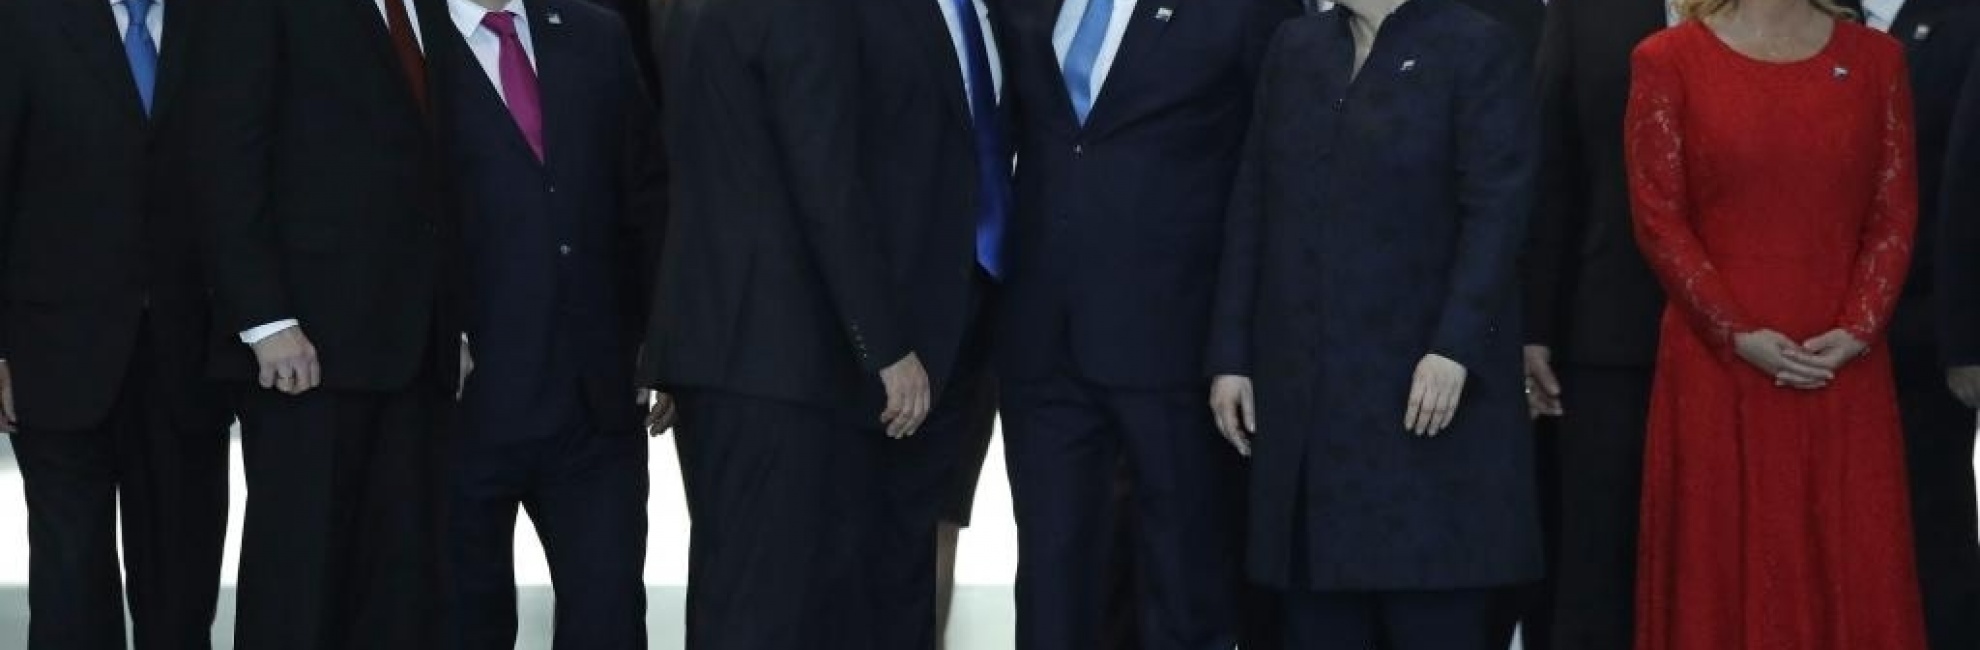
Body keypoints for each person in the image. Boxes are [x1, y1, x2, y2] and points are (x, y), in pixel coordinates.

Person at [1207, 0, 1542, 647]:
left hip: (1428, 405)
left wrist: (1455, 346)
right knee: (1315, 619)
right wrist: (1230, 355)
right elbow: (1252, 203)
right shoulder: (1296, 48)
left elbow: (1498, 215)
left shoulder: (1476, 46)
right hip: (1308, 410)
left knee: (1431, 617)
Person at [994, 0, 1301, 646]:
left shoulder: (1245, 10)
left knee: (1184, 584)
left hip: (1177, 342)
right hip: (1043, 338)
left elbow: (1270, 178)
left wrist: (1236, 341)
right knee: (1050, 580)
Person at [1625, 2, 1929, 647]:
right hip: (1717, 365)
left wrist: (1860, 327)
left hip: (1841, 362)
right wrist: (1733, 331)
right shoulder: (1666, 60)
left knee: (1853, 553)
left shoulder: (1879, 61)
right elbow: (1658, 217)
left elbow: (1894, 211)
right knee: (1721, 563)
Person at [648, 0, 933, 646]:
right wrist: (886, 346)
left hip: (715, 342)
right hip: (777, 353)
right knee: (769, 608)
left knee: (731, 591)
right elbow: (827, 180)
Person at [199, 0, 458, 646]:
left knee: (401, 595)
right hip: (304, 352)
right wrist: (264, 318)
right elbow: (224, 155)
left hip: (417, 347)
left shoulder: (434, 7)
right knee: (300, 590)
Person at [429, 0, 667, 648]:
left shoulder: (594, 32)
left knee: (609, 617)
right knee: (465, 624)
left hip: (595, 406)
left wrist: (662, 338)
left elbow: (647, 193)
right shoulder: (412, 40)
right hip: (460, 409)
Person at [0, 0, 232, 647]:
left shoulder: (216, 22)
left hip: (189, 359)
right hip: (54, 356)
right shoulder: (24, 21)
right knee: (71, 588)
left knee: (182, 594)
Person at [847, 0, 1007, 647]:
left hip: (986, 305)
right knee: (872, 532)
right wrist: (878, 333)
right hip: (890, 324)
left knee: (936, 516)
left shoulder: (1007, 14)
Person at [1520, 0, 1676, 647]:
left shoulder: (1793, 15)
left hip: (1760, 341)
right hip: (1610, 330)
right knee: (1598, 558)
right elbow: (1551, 174)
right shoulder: (1586, 13)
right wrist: (1535, 327)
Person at [1856, 2, 1980, 647]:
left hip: (1921, 337)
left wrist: (1964, 340)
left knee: (1932, 532)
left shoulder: (1964, 20)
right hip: (1802, 335)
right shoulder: (1805, 17)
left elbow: (1967, 181)